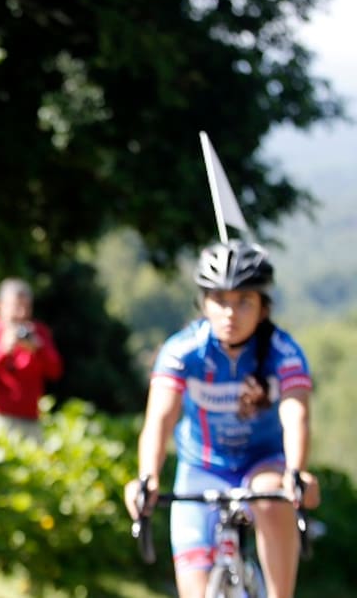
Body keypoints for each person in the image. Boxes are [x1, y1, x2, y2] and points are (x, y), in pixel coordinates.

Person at [123, 240, 320, 598]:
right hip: (200, 467)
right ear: (204, 304)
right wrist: (147, 477)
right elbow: (160, 420)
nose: (230, 313)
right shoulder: (183, 350)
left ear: (263, 308)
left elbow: (296, 413)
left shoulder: (283, 351)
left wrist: (297, 472)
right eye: (220, 300)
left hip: (262, 464)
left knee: (268, 497)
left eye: (244, 301)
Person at [0, 277, 63, 439]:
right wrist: (3, 351)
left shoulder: (38, 333)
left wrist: (39, 349)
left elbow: (55, 371)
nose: (22, 313)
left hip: (31, 421)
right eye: (16, 307)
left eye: (26, 307)